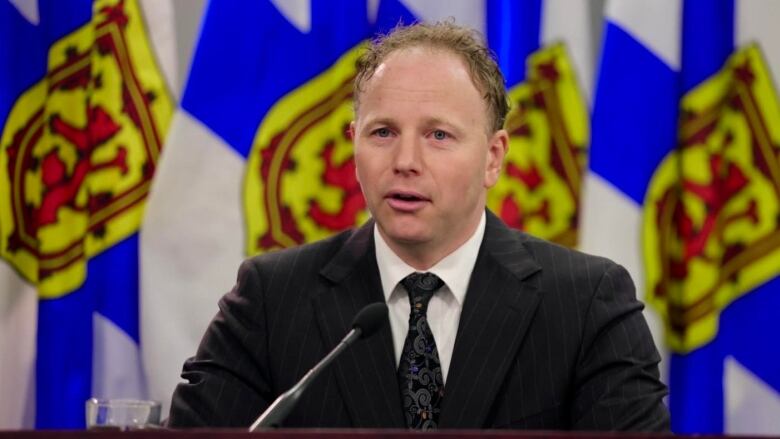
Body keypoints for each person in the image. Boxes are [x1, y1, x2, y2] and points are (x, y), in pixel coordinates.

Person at [167, 22, 669, 431]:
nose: (405, 161)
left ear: (493, 158)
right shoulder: (271, 299)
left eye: (438, 135)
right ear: (353, 145)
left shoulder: (586, 303)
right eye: (382, 132)